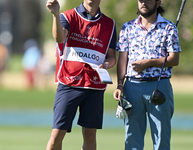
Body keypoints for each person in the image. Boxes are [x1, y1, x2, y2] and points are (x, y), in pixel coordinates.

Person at [46, 0, 116, 150]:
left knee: (90, 136)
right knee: (56, 136)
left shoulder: (110, 24)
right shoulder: (68, 16)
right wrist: (55, 15)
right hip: (69, 83)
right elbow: (59, 38)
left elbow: (111, 56)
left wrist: (107, 65)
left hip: (95, 86)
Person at [113, 0, 181, 149]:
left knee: (161, 137)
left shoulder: (169, 27)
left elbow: (174, 59)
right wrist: (119, 85)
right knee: (132, 138)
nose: (144, 3)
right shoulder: (127, 27)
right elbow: (122, 60)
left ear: (158, 3)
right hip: (132, 86)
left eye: (148, 0)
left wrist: (149, 62)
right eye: (141, 0)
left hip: (159, 85)